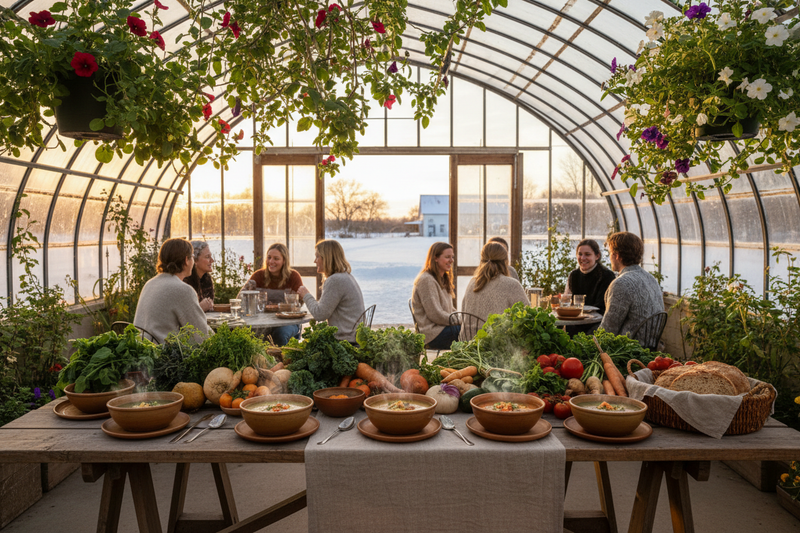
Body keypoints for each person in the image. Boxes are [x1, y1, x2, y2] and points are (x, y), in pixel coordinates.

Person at [134, 238, 212, 344]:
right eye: (192, 257)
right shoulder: (183, 290)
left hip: (141, 348)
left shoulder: (149, 284)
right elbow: (201, 335)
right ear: (186, 260)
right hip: (164, 352)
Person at [599, 232, 664, 342]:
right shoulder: (651, 279)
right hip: (651, 345)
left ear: (617, 255)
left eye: (610, 253)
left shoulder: (621, 283)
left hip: (628, 346)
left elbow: (608, 329)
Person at [297, 240, 365, 343]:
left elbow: (320, 314)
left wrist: (306, 295)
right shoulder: (345, 276)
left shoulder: (335, 280)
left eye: (317, 257)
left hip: (346, 341)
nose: (315, 261)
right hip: (354, 337)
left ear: (327, 258)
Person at [242, 243, 304, 345]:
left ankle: (285, 355)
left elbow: (299, 303)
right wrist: (248, 290)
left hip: (287, 321)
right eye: (269, 257)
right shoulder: (258, 275)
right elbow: (240, 299)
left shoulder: (293, 276)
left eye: (276, 258)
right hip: (262, 321)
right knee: (249, 334)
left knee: (280, 334)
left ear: (284, 261)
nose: (271, 261)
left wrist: (278, 307)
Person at [462, 242, 528, 334]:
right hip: (494, 341)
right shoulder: (512, 284)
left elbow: (463, 311)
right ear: (506, 261)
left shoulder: (472, 282)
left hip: (467, 340)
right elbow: (527, 315)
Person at [411, 242, 460, 350]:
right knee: (471, 331)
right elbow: (436, 315)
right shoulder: (426, 280)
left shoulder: (442, 279)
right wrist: (461, 320)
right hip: (432, 335)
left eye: (452, 257)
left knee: (471, 328)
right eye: (447, 257)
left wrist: (463, 318)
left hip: (443, 329)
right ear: (435, 258)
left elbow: (450, 310)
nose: (451, 260)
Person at [566, 239, 617, 315]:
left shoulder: (607, 276)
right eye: (580, 254)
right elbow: (567, 300)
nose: (583, 258)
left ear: (597, 256)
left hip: (598, 320)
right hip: (576, 318)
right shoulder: (574, 275)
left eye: (587, 254)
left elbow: (603, 308)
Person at [183, 240, 215, 312]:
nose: (212, 260)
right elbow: (184, 314)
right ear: (195, 260)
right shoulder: (185, 281)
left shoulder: (206, 279)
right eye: (207, 257)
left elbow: (209, 306)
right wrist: (200, 307)